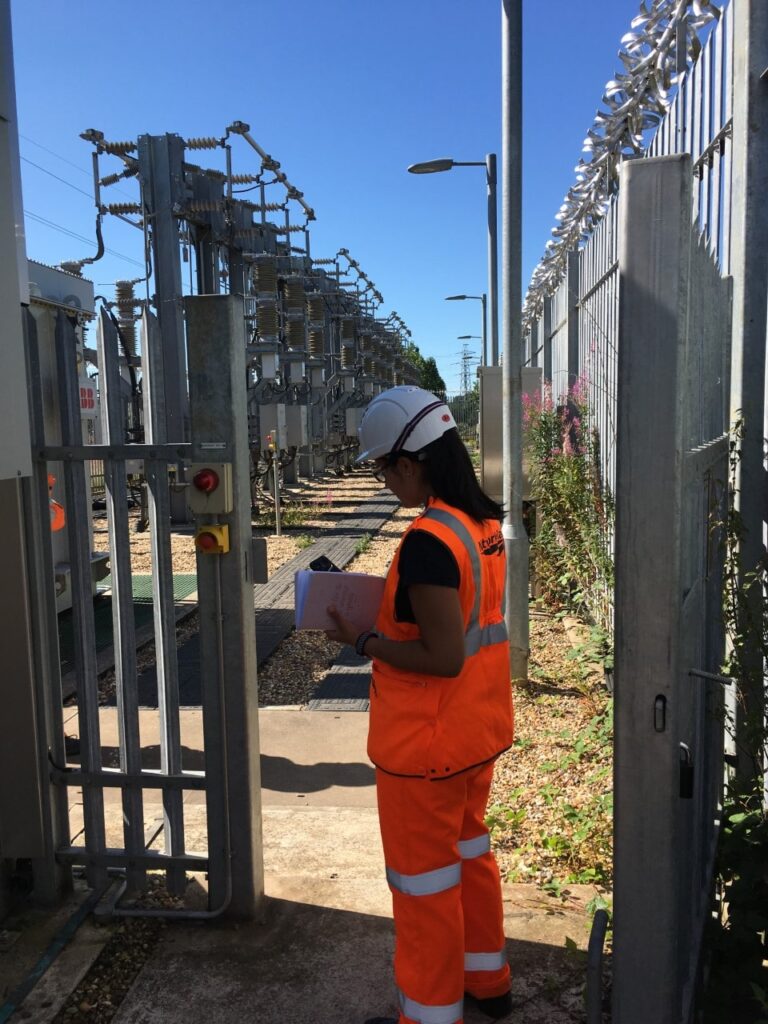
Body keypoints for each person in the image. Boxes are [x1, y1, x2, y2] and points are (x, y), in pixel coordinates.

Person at [325, 386, 514, 1024]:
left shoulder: (430, 541)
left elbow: (442, 657)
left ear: (411, 463)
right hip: (474, 733)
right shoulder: (480, 524)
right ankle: (487, 983)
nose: (383, 480)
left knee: (424, 888)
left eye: (383, 467)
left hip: (424, 750)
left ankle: (429, 1015)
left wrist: (364, 639)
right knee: (469, 858)